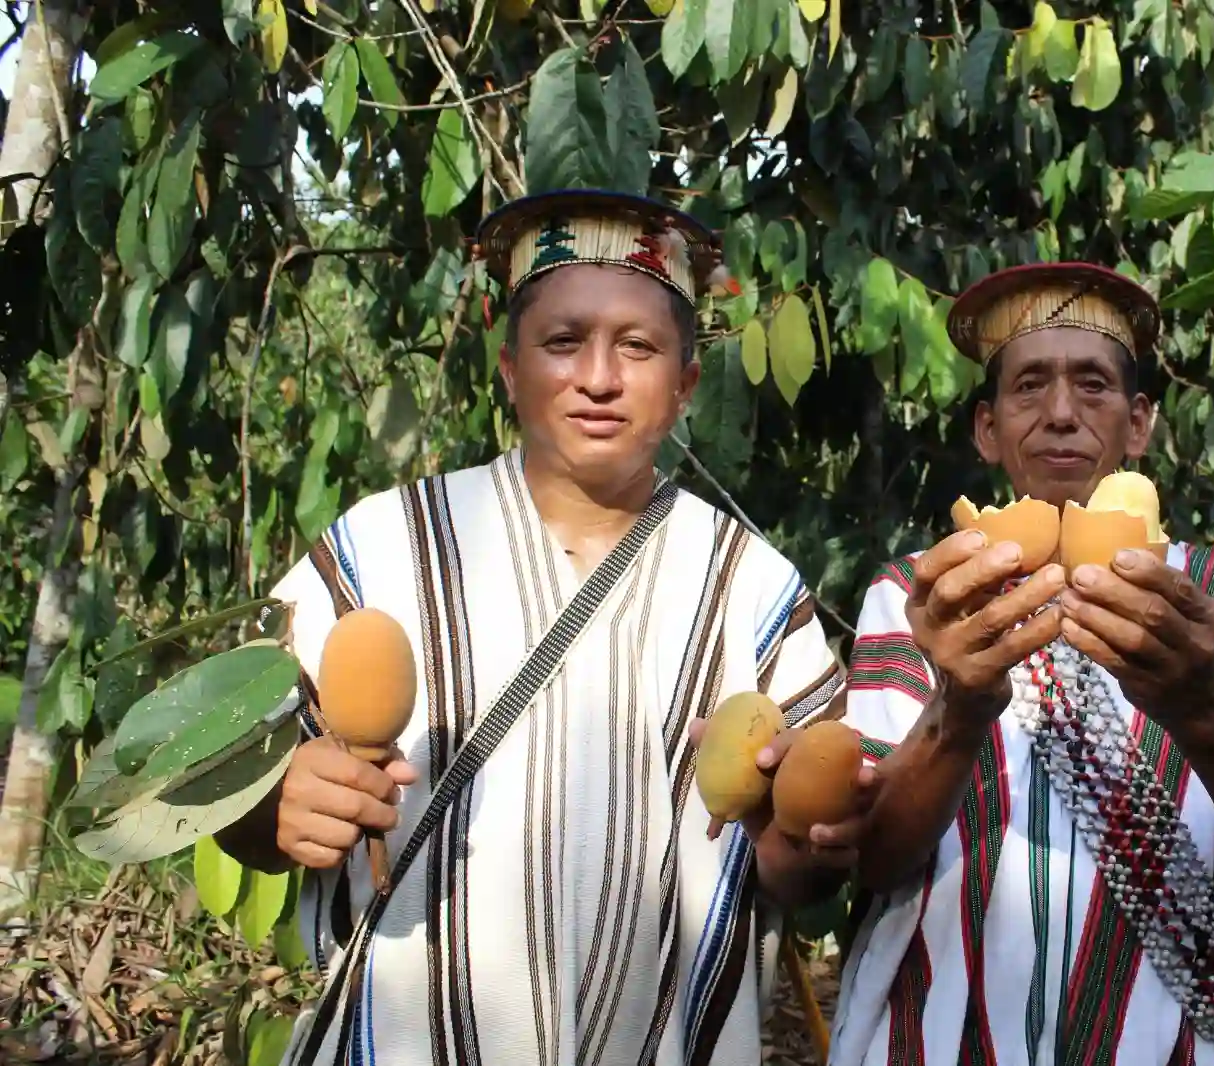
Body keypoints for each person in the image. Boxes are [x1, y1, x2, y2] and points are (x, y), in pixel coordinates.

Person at [215, 190, 865, 1066]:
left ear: (685, 386)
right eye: (563, 341)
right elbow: (234, 801)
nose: (599, 377)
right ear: (510, 369)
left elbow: (807, 866)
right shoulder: (382, 549)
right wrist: (277, 801)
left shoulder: (750, 585)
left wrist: (808, 830)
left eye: (637, 346)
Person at [823, 263, 1214, 1066]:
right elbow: (876, 859)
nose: (1061, 413)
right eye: (1029, 386)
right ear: (987, 428)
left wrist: (1202, 705)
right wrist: (960, 712)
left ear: (1139, 423)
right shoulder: (923, 596)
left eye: (1093, 385)